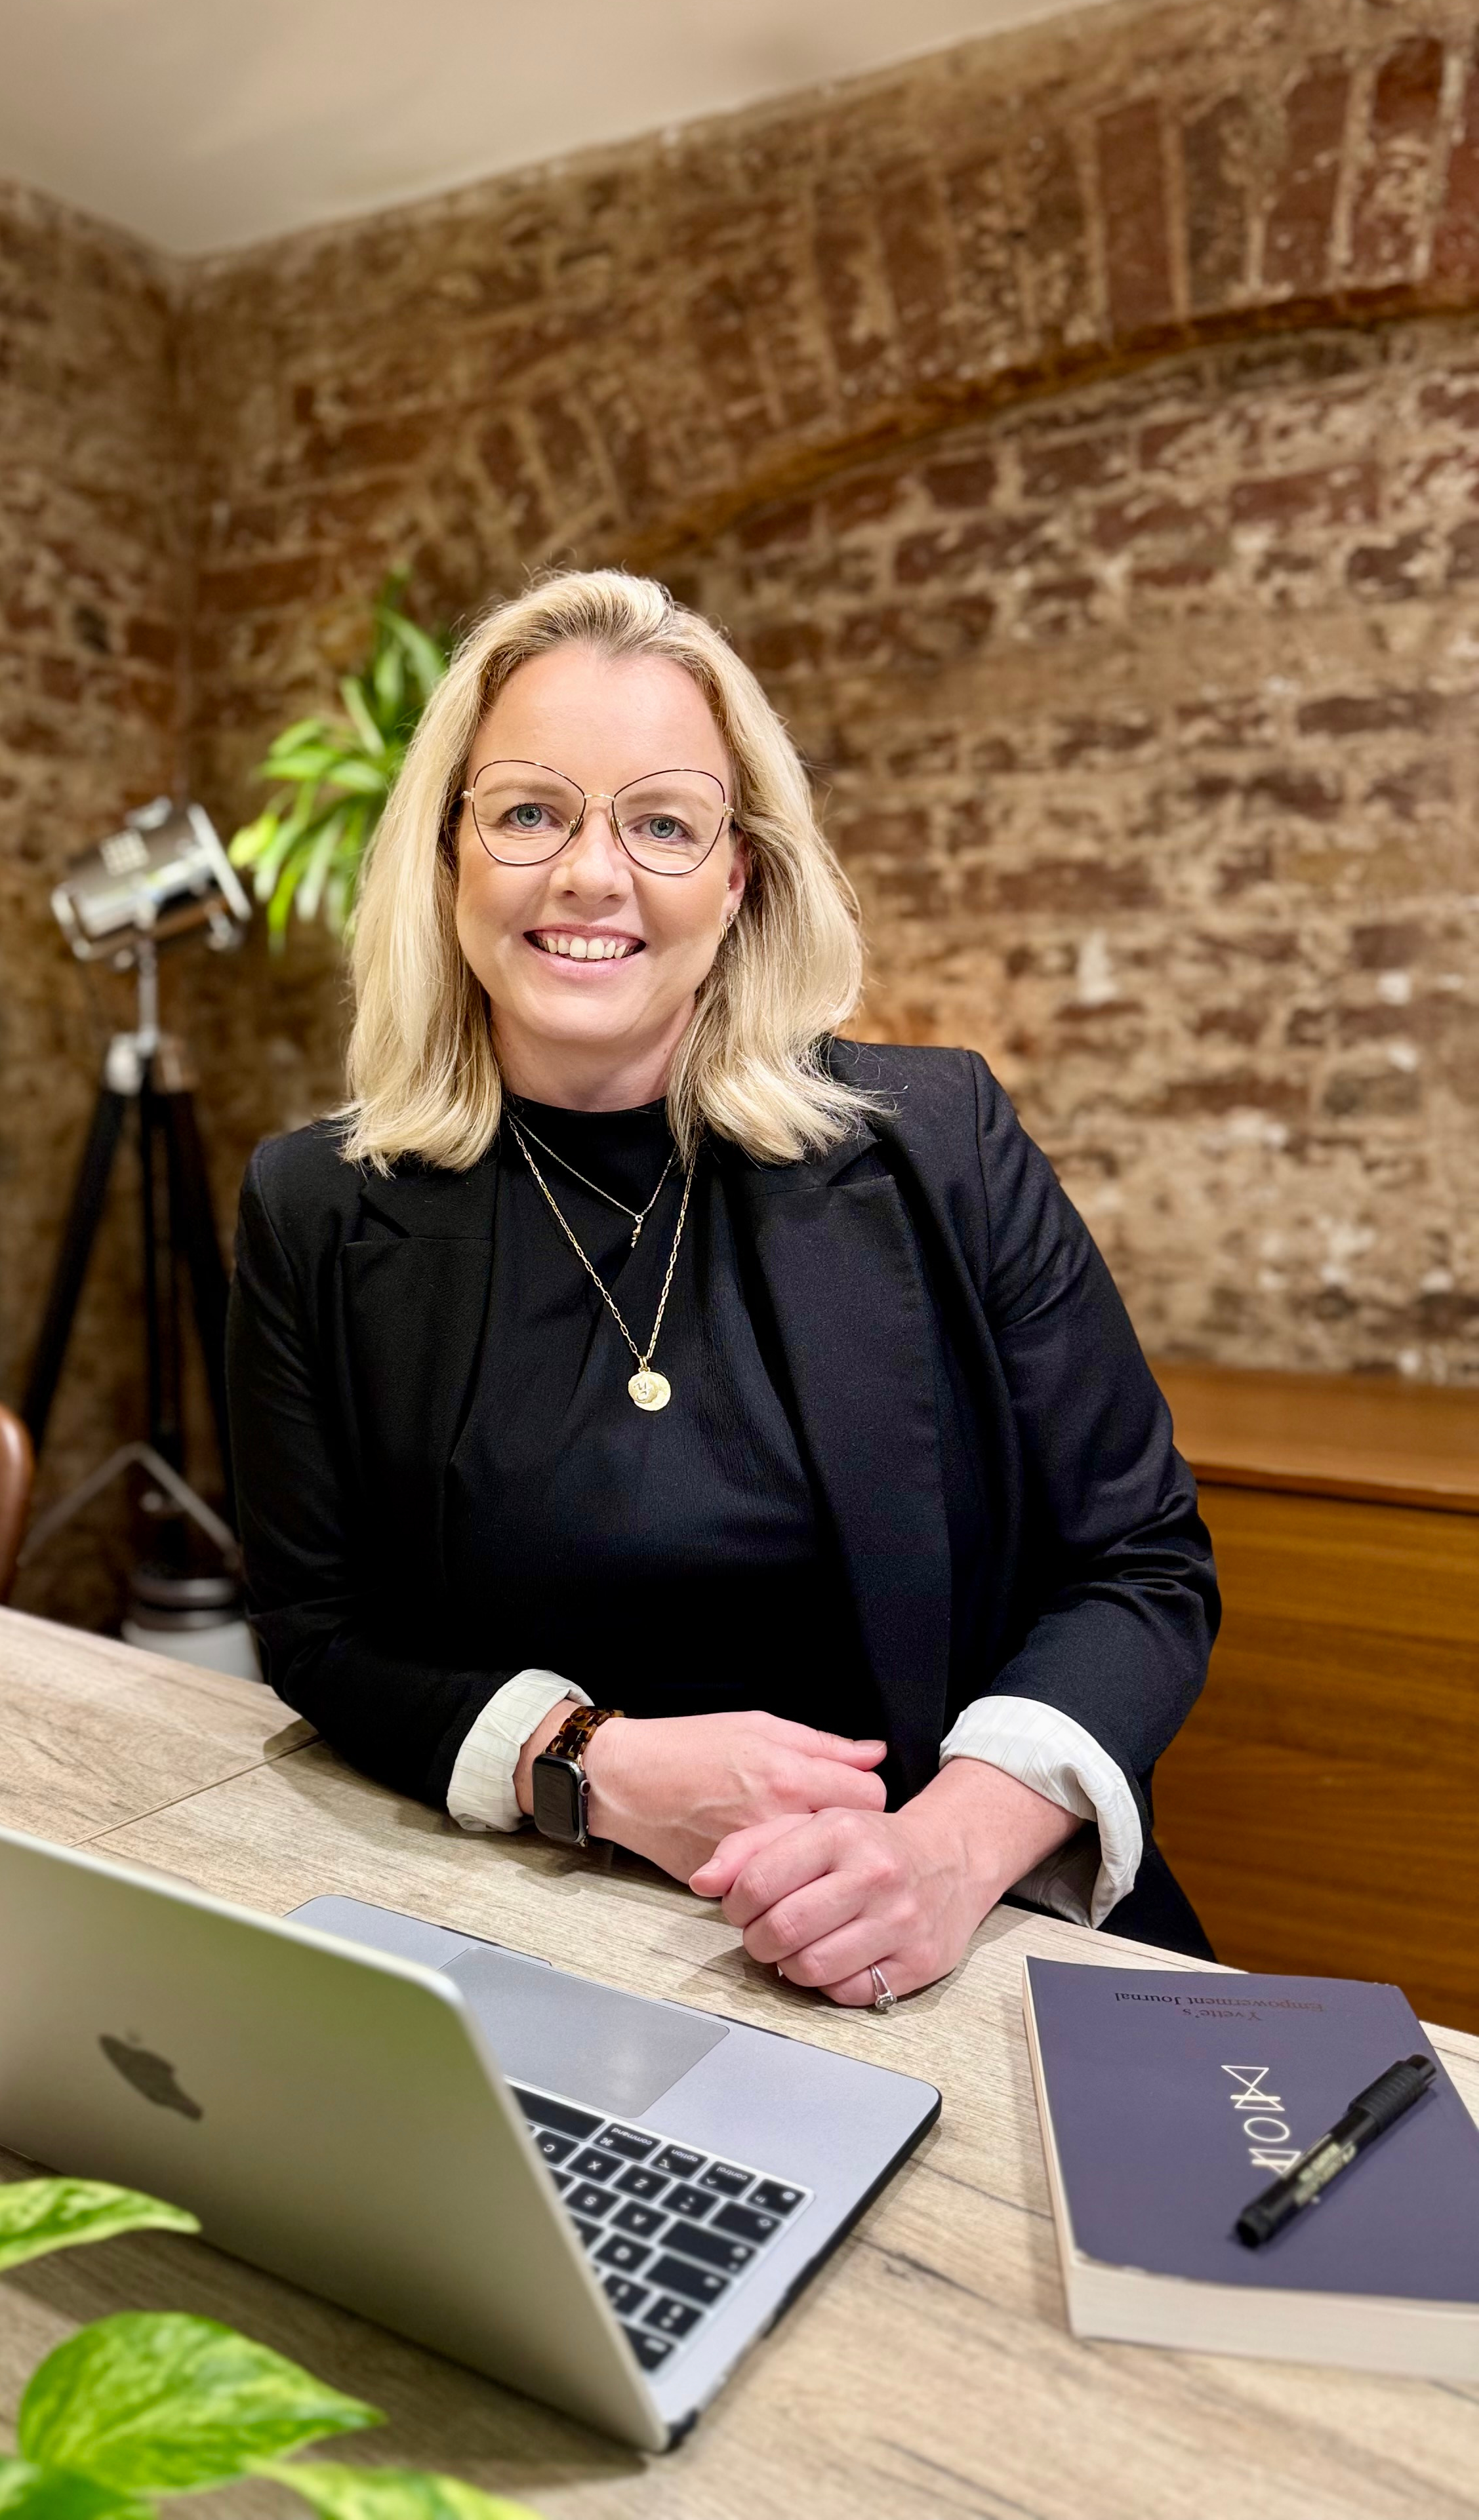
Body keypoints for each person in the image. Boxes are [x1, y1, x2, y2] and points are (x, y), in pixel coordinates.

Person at [227, 569, 1217, 2005]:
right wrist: (589, 1766)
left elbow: (1143, 1564)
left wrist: (947, 1852)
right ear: (450, 857)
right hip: (519, 1941)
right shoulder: (315, 1205)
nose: (589, 873)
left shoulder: (942, 1143)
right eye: (528, 811)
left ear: (739, 877)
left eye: (662, 824)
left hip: (957, 1940)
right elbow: (317, 1632)